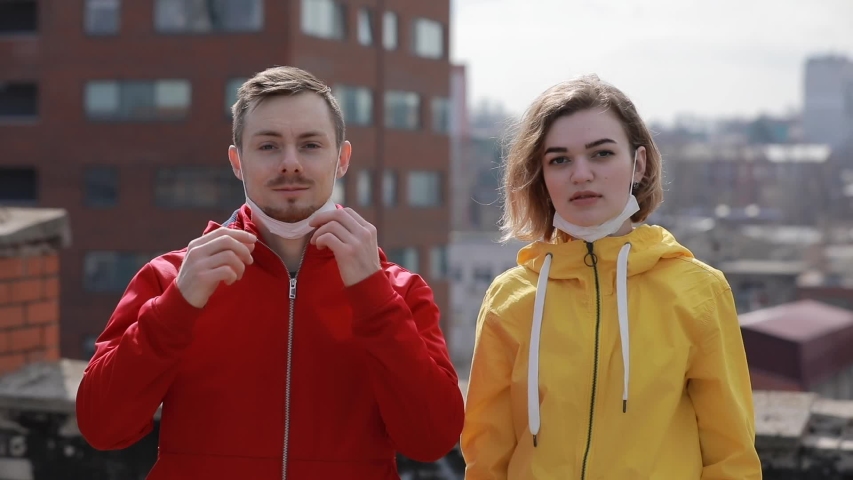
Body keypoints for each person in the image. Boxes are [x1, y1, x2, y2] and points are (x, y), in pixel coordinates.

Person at [76, 66, 464, 479]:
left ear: (342, 159)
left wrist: (374, 298)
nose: (290, 163)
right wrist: (176, 307)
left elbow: (432, 439)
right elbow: (102, 427)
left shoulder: (397, 290)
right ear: (237, 161)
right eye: (268, 146)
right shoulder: (173, 278)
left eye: (310, 145)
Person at [460, 75, 761, 479]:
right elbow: (486, 457)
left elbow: (732, 458)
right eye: (559, 160)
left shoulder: (699, 292)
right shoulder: (510, 298)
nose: (581, 174)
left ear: (639, 164)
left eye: (601, 154)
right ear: (541, 176)